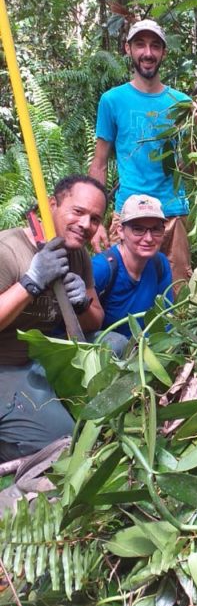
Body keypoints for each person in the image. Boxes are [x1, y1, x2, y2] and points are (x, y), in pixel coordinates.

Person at [89, 18, 197, 288]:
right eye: (141, 45)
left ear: (163, 53)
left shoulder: (180, 103)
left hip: (172, 214)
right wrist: (94, 220)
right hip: (129, 214)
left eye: (155, 46)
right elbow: (99, 164)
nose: (148, 52)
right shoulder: (112, 100)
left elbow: (188, 169)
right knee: (120, 293)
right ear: (128, 49)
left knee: (176, 298)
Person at [0, 175, 108, 461]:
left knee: (116, 343)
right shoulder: (8, 251)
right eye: (78, 212)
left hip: (41, 359)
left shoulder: (78, 254)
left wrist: (82, 304)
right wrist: (30, 282)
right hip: (6, 365)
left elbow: (95, 321)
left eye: (95, 219)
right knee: (63, 442)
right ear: (52, 205)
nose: (86, 225)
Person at [92, 194, 173, 338]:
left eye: (156, 229)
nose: (148, 238)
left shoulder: (160, 264)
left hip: (145, 350)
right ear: (120, 231)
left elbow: (166, 320)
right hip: (105, 352)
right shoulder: (102, 268)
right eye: (138, 229)